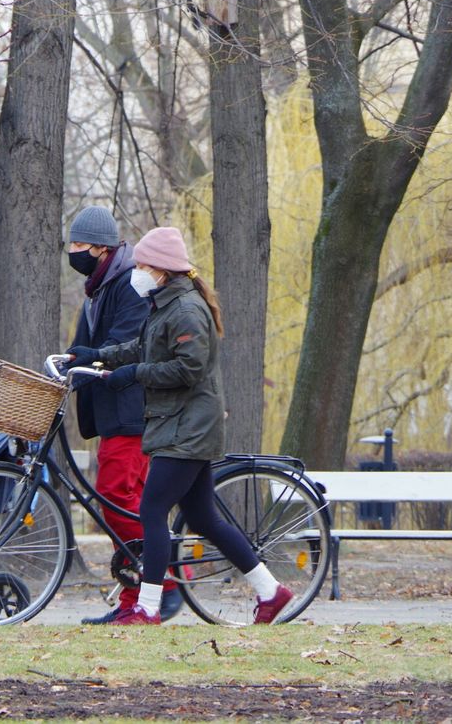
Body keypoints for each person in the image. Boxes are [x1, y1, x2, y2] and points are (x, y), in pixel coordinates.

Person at [67, 226, 294, 625]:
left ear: (161, 268)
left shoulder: (187, 310)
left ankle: (149, 607)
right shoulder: (165, 304)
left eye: (142, 265)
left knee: (152, 510)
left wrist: (135, 374)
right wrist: (98, 356)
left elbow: (188, 369)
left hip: (189, 428)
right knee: (204, 518)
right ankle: (271, 592)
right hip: (182, 425)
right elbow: (141, 348)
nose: (136, 270)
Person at [65, 206, 183, 624]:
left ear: (100, 248)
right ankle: (137, 595)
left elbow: (125, 342)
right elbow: (86, 342)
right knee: (130, 501)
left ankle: (163, 583)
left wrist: (91, 361)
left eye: (78, 245)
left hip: (132, 411)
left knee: (116, 495)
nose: (72, 251)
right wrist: (67, 363)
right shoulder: (99, 286)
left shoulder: (127, 286)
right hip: (114, 412)